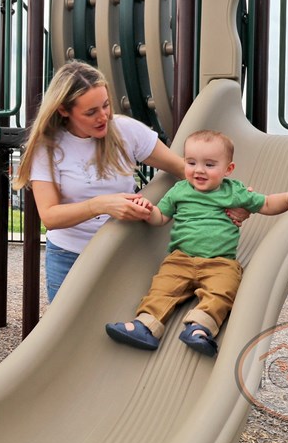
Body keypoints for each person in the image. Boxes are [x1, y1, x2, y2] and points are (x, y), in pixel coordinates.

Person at [105, 129, 288, 356]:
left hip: (220, 262)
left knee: (223, 292)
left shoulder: (234, 191)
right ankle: (146, 325)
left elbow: (266, 204)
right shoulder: (179, 190)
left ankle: (201, 326)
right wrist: (148, 211)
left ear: (228, 169)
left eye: (209, 165)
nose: (199, 170)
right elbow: (161, 218)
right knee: (161, 288)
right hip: (180, 258)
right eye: (191, 162)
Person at [13, 60, 189, 303]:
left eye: (106, 105)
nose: (104, 117)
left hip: (123, 249)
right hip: (69, 255)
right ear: (64, 110)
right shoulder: (49, 147)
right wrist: (102, 205)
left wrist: (230, 195)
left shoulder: (126, 131)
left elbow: (183, 169)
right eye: (91, 112)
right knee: (66, 331)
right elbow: (50, 217)